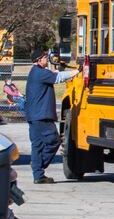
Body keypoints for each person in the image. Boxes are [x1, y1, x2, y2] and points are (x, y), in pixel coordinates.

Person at [25, 49, 78, 184]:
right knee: (54, 141)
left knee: (37, 145)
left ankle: (38, 176)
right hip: (42, 116)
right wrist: (77, 71)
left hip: (33, 115)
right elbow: (58, 78)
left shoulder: (35, 72)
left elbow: (53, 75)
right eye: (44, 58)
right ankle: (39, 164)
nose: (46, 60)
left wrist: (56, 72)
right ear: (38, 60)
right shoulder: (40, 73)